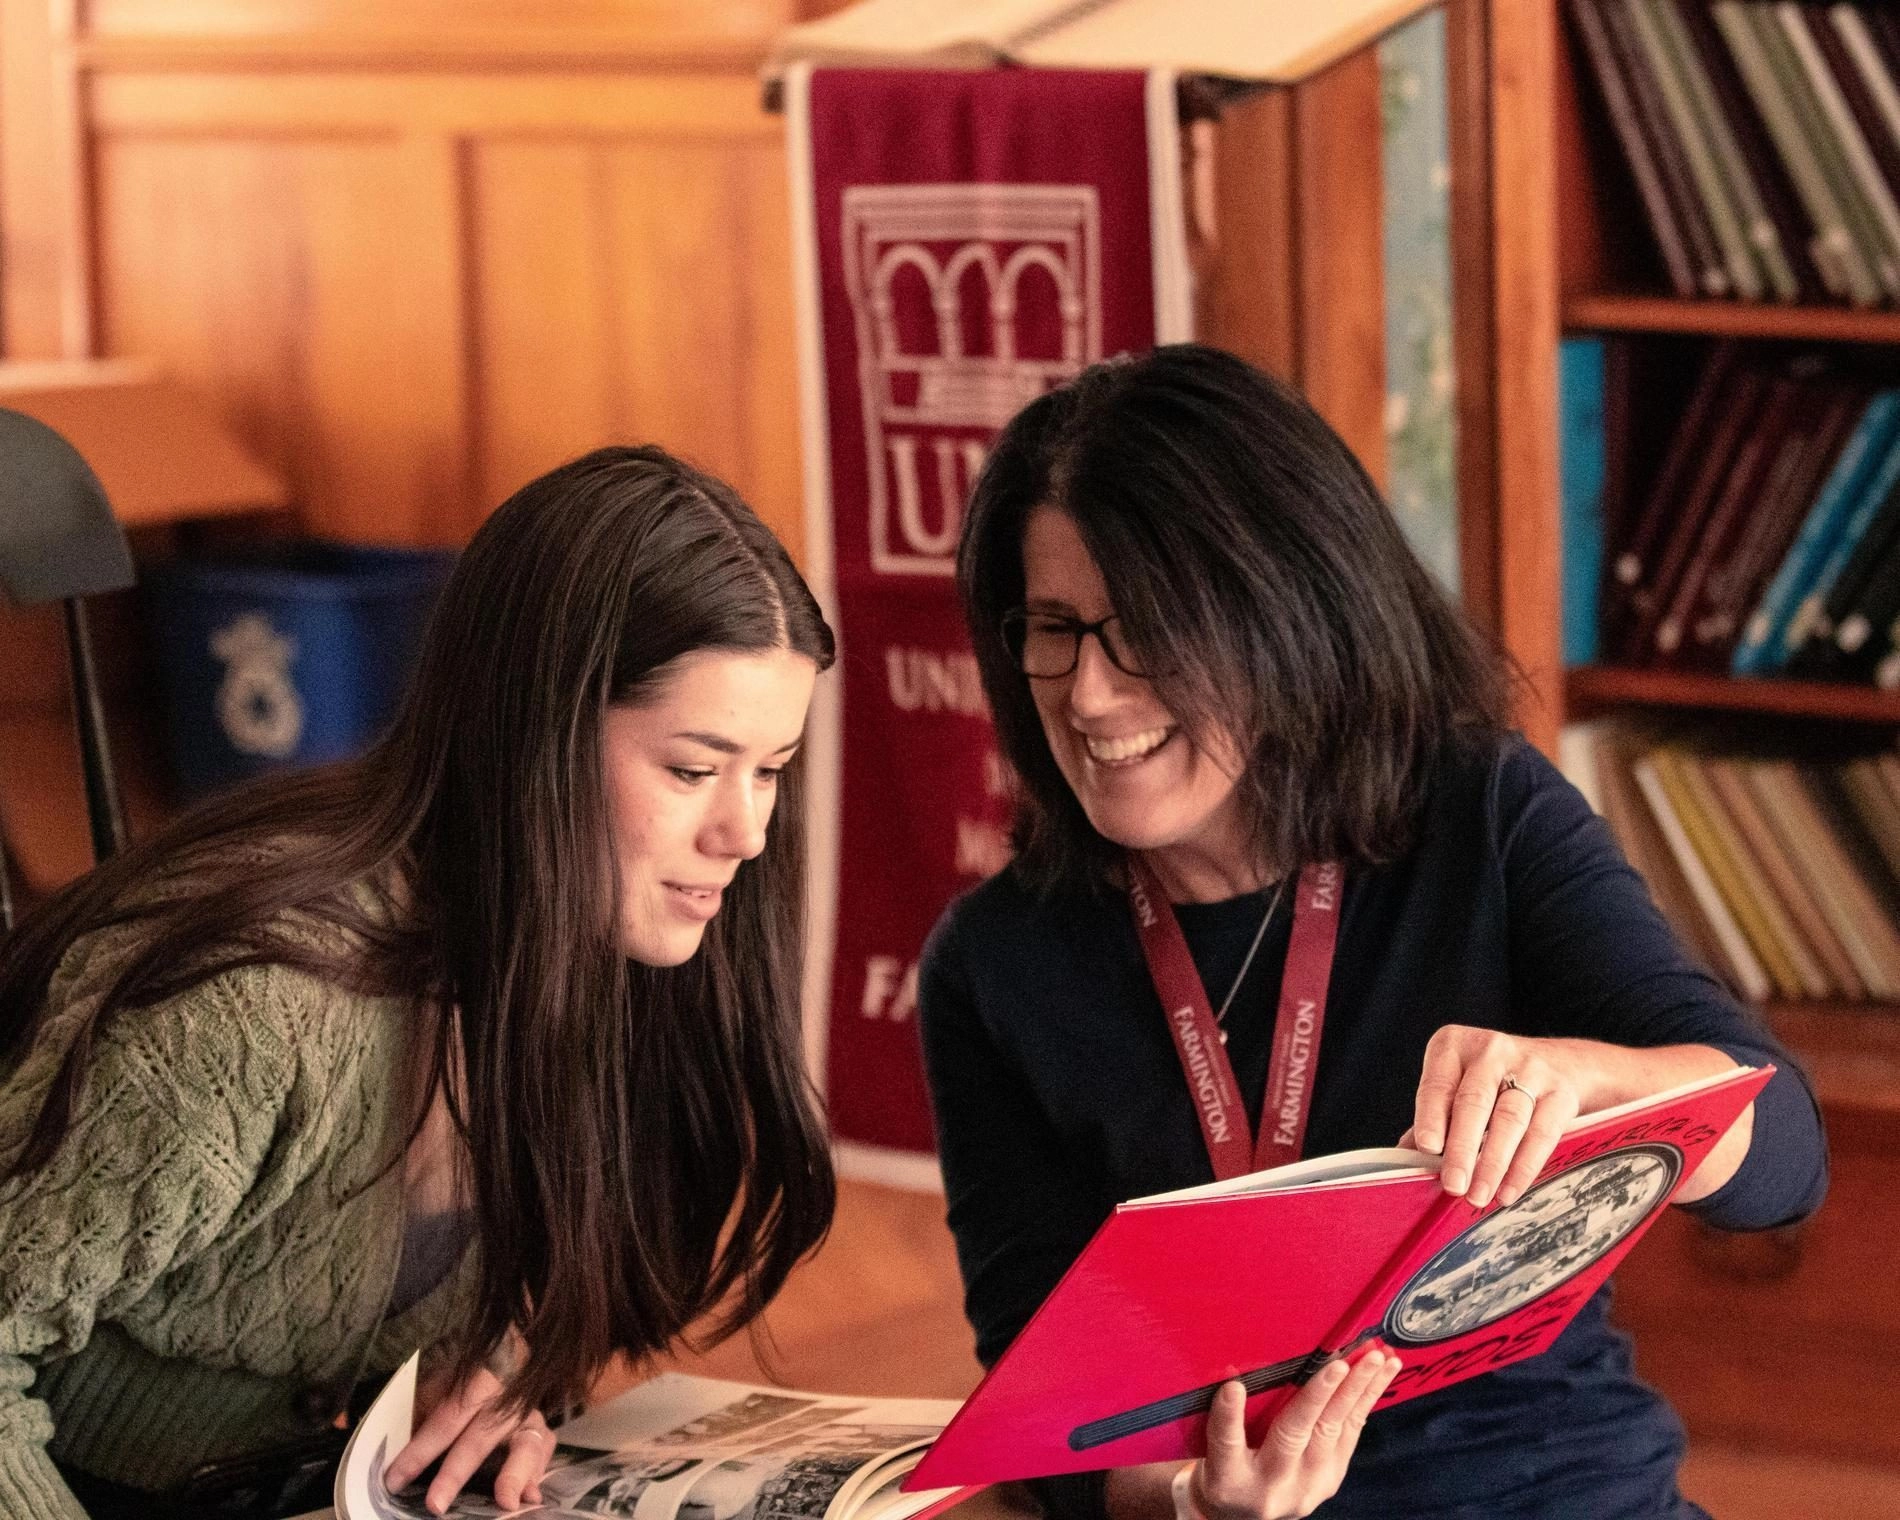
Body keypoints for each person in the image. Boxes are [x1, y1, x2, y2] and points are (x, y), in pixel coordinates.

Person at [919, 346, 1827, 1520]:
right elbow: (1047, 1429)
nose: (1088, 693)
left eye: (1144, 628)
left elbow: (1784, 1157)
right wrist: (1189, 1497)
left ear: (1284, 611)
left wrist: (1590, 1082)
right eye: (1055, 627)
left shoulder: (1477, 811)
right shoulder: (994, 963)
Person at [0, 446, 838, 1520]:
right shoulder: (252, 1011)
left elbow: (428, 1298)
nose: (746, 832)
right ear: (533, 733)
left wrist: (489, 1373)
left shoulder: (605, 949)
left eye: (770, 771)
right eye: (692, 769)